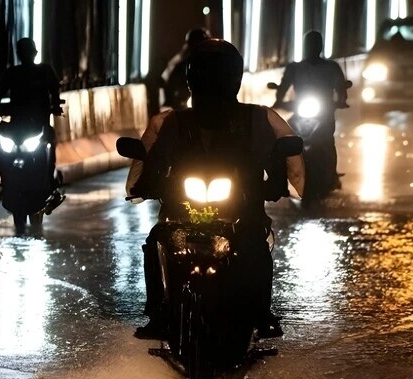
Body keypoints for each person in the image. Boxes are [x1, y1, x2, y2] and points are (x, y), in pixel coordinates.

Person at [127, 38, 305, 341]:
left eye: (217, 73)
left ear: (233, 78)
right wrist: (148, 182)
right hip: (182, 211)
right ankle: (158, 313)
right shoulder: (173, 122)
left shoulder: (256, 119)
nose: (211, 81)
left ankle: (262, 313)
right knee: (156, 241)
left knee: (256, 245)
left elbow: (275, 156)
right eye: (205, 73)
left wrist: (274, 184)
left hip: (241, 210)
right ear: (192, 78)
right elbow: (156, 159)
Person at [0, 37, 65, 208]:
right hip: (17, 127)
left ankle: (50, 183)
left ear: (34, 53)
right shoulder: (13, 73)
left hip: (39, 126)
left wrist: (56, 105)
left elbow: (55, 90)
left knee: (49, 142)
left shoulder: (44, 71)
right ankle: (5, 180)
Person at [272, 30, 349, 187]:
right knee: (284, 139)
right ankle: (279, 179)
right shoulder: (294, 68)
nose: (313, 48)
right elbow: (283, 87)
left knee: (327, 141)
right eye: (310, 44)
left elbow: (341, 88)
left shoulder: (331, 67)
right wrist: (279, 100)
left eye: (316, 44)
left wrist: (341, 100)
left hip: (324, 112)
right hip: (300, 112)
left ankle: (332, 174)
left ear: (320, 46)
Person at [158, 28, 211, 111]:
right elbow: (170, 84)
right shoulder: (180, 65)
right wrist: (174, 99)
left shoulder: (213, 63)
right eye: (195, 43)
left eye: (201, 43)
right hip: (183, 104)